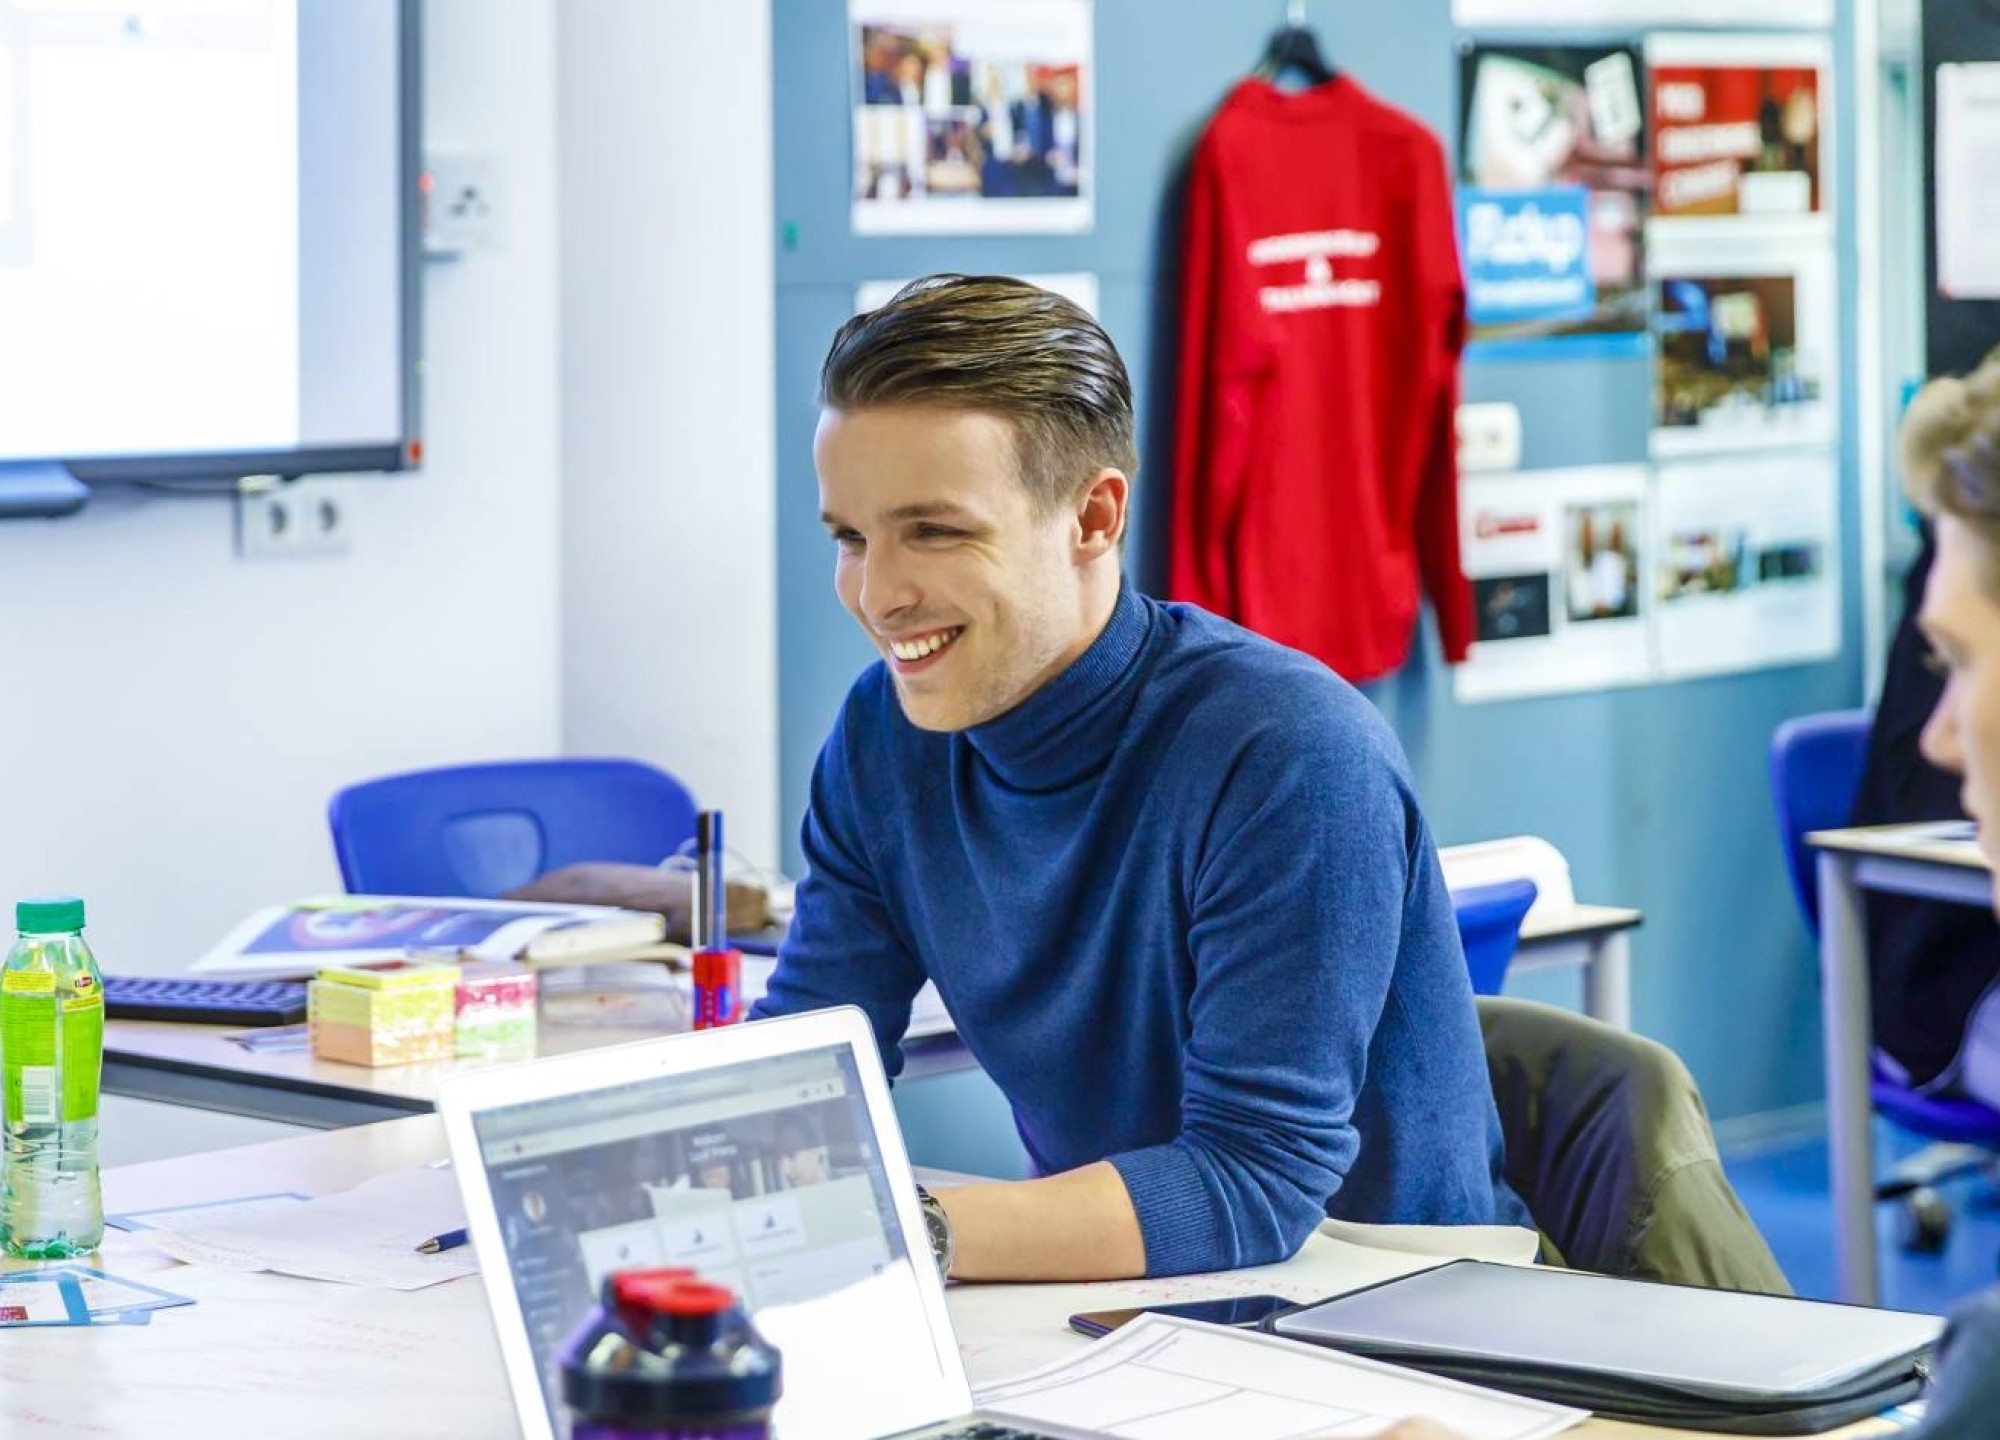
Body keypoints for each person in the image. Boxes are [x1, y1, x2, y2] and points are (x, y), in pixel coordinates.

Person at [750, 274, 1522, 1284]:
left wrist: (907, 1233)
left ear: (1093, 517)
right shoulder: (879, 736)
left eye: (933, 531)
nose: (877, 593)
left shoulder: (1285, 750)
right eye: (849, 537)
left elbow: (1256, 1178)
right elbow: (812, 1057)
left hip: (1387, 1310)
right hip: (1129, 1309)